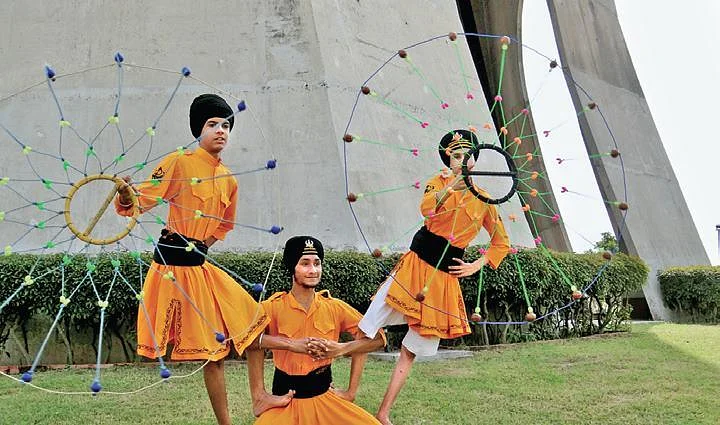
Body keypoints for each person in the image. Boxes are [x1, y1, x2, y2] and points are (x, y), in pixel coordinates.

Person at [116, 94, 274, 425]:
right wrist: (124, 194)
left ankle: (259, 397)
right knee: (213, 355)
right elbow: (141, 200)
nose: (221, 131)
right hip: (172, 270)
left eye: (226, 125)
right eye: (213, 124)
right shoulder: (179, 162)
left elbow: (225, 225)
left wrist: (202, 244)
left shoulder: (229, 179)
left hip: (200, 267)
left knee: (255, 323)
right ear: (198, 130)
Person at [358, 129, 511, 425]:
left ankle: (383, 413)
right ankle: (350, 393)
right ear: (448, 160)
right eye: (456, 156)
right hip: (414, 268)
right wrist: (452, 184)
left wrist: (475, 265)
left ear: (475, 161)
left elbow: (501, 243)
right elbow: (427, 209)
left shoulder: (485, 200)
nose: (462, 160)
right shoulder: (437, 182)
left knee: (410, 351)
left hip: (442, 283)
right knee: (366, 327)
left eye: (468, 156)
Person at [252, 235, 386, 424]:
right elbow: (247, 340)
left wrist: (342, 350)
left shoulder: (334, 307)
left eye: (317, 263)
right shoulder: (272, 308)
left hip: (325, 397)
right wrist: (290, 344)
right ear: (292, 267)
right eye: (305, 263)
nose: (313, 270)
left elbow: (377, 338)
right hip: (285, 401)